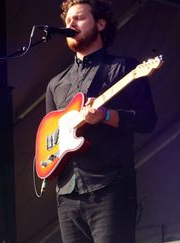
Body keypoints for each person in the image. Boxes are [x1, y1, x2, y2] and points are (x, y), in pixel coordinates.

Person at [45, 0, 157, 242]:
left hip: (110, 188)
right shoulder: (56, 83)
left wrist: (105, 115)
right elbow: (49, 133)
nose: (70, 24)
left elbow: (147, 120)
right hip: (67, 194)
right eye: (67, 20)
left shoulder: (124, 68)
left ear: (101, 23)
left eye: (79, 18)